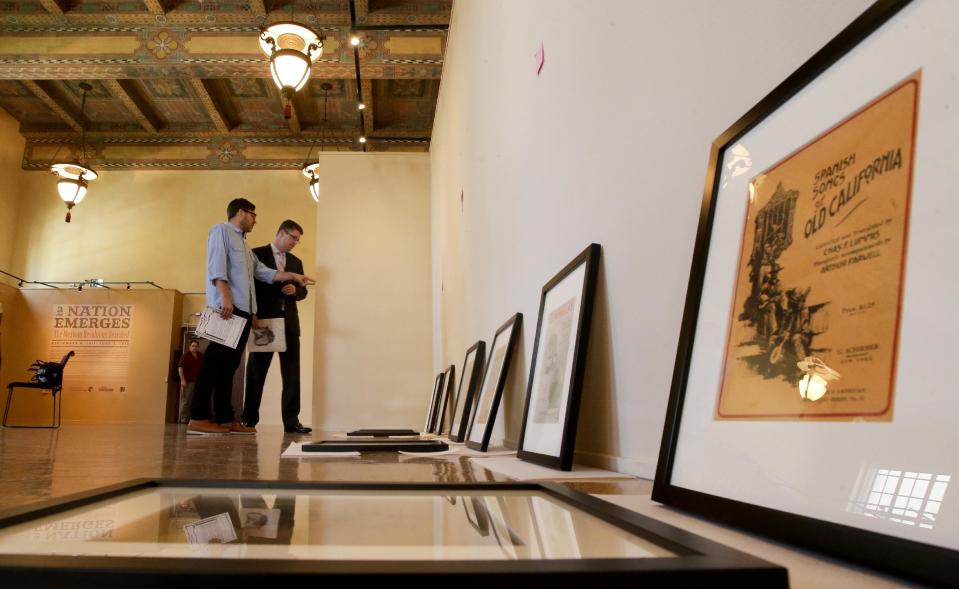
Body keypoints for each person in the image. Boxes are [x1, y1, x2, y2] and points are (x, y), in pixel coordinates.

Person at [187, 198, 314, 436]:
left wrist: (294, 277)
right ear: (242, 212)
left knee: (229, 366)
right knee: (213, 362)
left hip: (243, 312)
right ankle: (198, 417)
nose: (256, 219)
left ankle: (225, 418)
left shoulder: (244, 246)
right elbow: (216, 266)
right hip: (225, 308)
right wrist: (224, 297)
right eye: (253, 215)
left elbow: (263, 274)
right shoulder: (221, 231)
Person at [242, 220, 313, 434]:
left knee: (292, 374)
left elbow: (304, 291)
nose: (295, 243)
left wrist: (296, 291)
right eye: (293, 237)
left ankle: (291, 421)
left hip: (290, 324)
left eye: (298, 240)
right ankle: (248, 419)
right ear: (281, 233)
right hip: (264, 321)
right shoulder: (256, 254)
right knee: (256, 372)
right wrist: (252, 313)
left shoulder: (296, 261)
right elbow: (249, 286)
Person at [177, 339, 203, 424]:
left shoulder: (200, 355)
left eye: (196, 346)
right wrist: (182, 380)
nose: (194, 347)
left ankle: (193, 419)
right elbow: (180, 368)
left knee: (195, 401)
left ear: (198, 347)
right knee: (186, 401)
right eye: (193, 346)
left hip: (198, 382)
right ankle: (183, 419)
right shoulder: (186, 356)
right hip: (187, 382)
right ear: (190, 347)